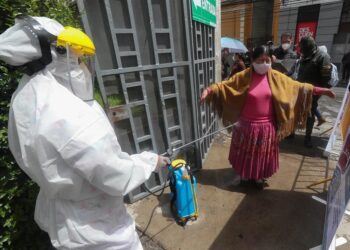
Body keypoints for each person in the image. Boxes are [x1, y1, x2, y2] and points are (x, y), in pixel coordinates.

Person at [0, 16, 169, 249]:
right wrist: (150, 161)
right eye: (75, 56)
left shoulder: (25, 95)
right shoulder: (68, 112)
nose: (80, 64)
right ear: (54, 53)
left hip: (62, 217)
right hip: (99, 230)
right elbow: (114, 174)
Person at [200, 45, 335, 190]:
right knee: (246, 155)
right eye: (260, 60)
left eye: (267, 60)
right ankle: (245, 177)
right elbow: (224, 86)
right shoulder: (243, 76)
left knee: (261, 156)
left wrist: (321, 90)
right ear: (252, 60)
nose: (264, 63)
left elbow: (297, 87)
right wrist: (208, 90)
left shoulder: (276, 77)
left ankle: (258, 178)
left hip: (267, 127)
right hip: (245, 126)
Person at [297, 36, 333, 148]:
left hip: (314, 91)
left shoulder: (323, 56)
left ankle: (307, 138)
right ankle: (291, 132)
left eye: (304, 49)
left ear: (311, 47)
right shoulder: (305, 55)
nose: (302, 51)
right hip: (301, 88)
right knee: (296, 109)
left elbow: (326, 78)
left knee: (310, 112)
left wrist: (319, 90)